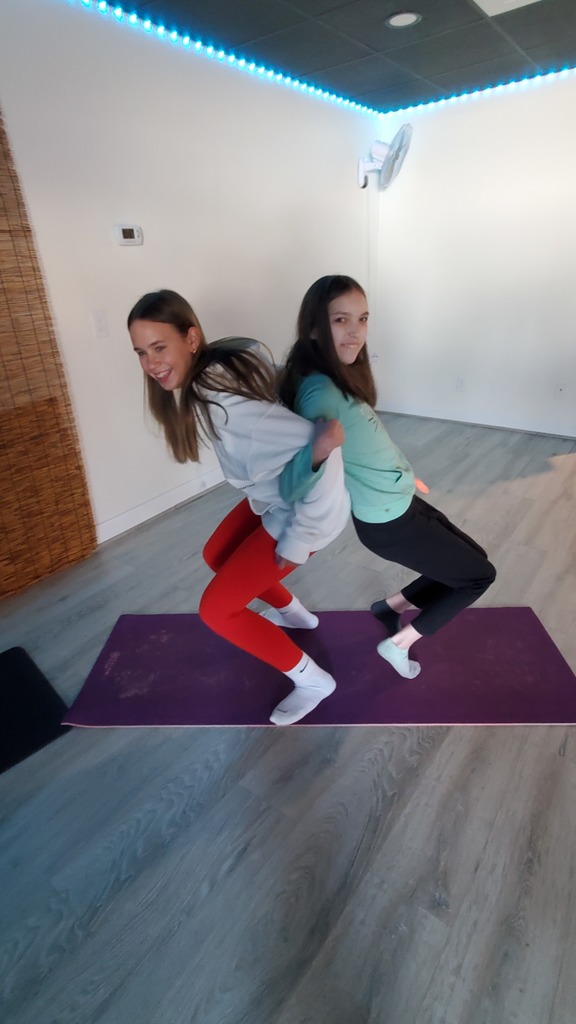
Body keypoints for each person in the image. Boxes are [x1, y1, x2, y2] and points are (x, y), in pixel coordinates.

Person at [127, 289, 351, 725]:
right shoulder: (216, 369)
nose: (151, 363)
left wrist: (300, 538)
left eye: (159, 347)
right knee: (216, 554)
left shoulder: (222, 402)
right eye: (141, 352)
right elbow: (255, 355)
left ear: (191, 339)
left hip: (304, 511)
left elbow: (324, 445)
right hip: (276, 495)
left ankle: (313, 681)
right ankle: (295, 614)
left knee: (217, 611)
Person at [278, 274, 496, 679]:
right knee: (479, 577)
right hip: (388, 521)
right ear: (313, 326)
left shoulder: (336, 377)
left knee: (469, 562)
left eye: (362, 319)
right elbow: (290, 485)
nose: (355, 332)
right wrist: (319, 450)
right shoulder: (319, 394)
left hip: (400, 501)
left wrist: (404, 475)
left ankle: (389, 607)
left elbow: (369, 441)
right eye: (340, 320)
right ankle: (398, 644)